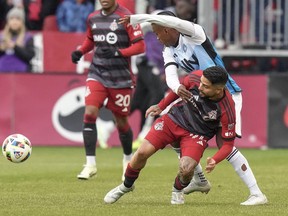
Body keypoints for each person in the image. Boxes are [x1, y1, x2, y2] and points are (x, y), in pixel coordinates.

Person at [119, 11, 268, 205]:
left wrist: (137, 19)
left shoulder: (194, 34)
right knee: (179, 128)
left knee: (226, 145)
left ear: (168, 28)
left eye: (157, 32)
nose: (156, 37)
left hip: (225, 96)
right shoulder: (168, 48)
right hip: (201, 94)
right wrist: (177, 88)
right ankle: (198, 179)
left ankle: (257, 194)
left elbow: (174, 20)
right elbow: (171, 75)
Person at [104, 66, 236, 204]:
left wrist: (215, 159)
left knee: (186, 169)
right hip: (173, 120)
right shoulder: (196, 77)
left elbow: (228, 145)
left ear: (218, 89)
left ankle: (177, 190)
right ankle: (126, 186)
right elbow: (178, 91)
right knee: (142, 152)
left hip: (197, 134)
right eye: (201, 83)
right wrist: (161, 106)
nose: (200, 86)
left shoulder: (227, 108)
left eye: (206, 86)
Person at [71, 0, 145, 181]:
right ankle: (90, 164)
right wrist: (81, 51)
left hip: (120, 79)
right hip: (97, 73)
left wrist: (120, 53)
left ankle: (128, 160)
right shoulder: (93, 18)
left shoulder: (126, 18)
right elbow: (90, 39)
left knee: (121, 122)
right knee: (89, 112)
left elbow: (140, 46)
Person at [0, 7, 35, 73]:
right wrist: (3, 48)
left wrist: (15, 47)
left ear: (22, 22)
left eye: (18, 19)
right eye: (12, 19)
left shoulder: (28, 37)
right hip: (2, 72)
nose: (14, 22)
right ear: (8, 22)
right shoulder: (1, 36)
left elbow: (29, 56)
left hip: (21, 72)